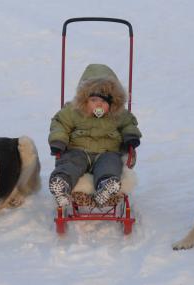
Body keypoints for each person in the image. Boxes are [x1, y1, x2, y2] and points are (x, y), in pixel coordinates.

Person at [48, 64, 142, 207]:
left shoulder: (118, 114)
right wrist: (58, 141)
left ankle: (106, 186)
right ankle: (62, 184)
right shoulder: (73, 110)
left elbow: (129, 124)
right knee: (71, 163)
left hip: (107, 152)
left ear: (113, 102)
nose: (99, 104)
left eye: (104, 101)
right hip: (78, 150)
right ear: (84, 100)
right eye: (94, 100)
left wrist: (131, 136)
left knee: (110, 164)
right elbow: (60, 123)